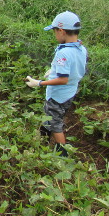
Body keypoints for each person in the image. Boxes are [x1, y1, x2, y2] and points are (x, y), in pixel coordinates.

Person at [25, 11, 87, 157]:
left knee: (55, 124)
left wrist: (39, 83)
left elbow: (63, 79)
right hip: (70, 92)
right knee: (50, 117)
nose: (55, 35)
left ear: (61, 31)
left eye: (54, 32)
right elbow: (74, 70)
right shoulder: (81, 48)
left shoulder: (63, 53)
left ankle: (62, 154)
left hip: (58, 96)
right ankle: (41, 140)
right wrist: (54, 71)